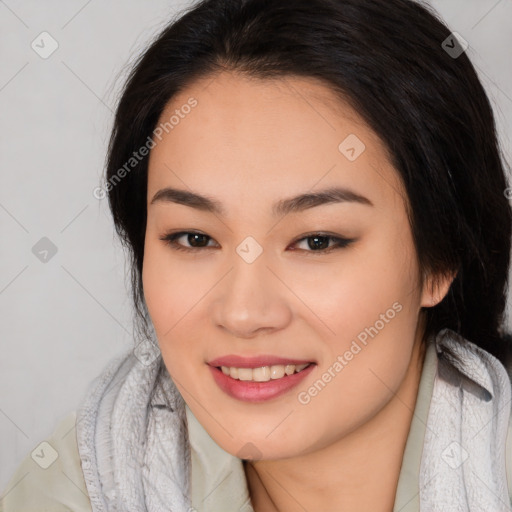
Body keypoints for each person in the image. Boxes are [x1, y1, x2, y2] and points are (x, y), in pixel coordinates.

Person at [2, 0, 512, 510]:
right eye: (194, 238)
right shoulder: (82, 484)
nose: (243, 313)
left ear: (440, 258)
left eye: (317, 241)